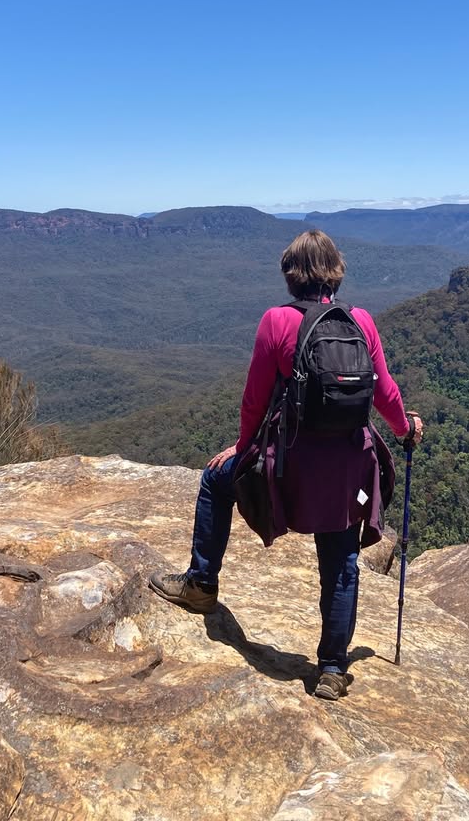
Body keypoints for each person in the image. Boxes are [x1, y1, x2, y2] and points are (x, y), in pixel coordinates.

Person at [148, 229, 423, 701]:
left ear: (291, 276)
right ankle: (333, 668)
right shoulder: (360, 322)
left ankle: (201, 584)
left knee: (215, 481)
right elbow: (385, 393)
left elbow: (255, 399)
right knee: (341, 562)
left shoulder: (276, 321)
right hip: (348, 474)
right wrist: (406, 429)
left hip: (289, 471)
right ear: (335, 271)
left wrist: (241, 447)